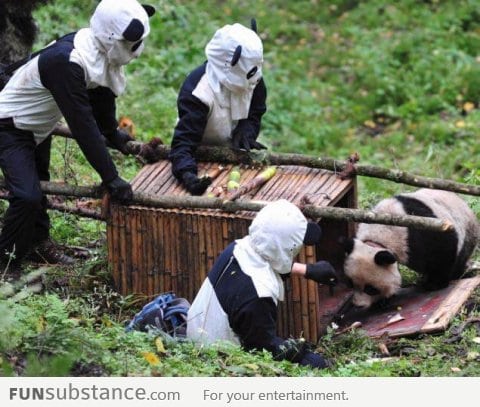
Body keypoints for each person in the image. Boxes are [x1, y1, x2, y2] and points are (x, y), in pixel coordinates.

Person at [0, 0, 155, 266]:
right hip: (9, 126)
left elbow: (102, 105)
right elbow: (84, 127)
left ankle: (37, 242)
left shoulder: (96, 53)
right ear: (112, 37)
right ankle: (5, 261)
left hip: (37, 125)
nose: (137, 50)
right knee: (27, 196)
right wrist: (112, 177)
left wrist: (115, 135)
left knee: (37, 183)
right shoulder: (67, 62)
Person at [186, 199, 338, 369]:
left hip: (197, 330)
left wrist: (307, 270)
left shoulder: (237, 248)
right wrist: (300, 352)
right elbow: (264, 348)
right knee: (314, 364)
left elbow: (265, 261)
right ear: (288, 246)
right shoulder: (259, 295)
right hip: (220, 357)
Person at [169, 21, 267, 195]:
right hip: (200, 154)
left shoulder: (252, 76)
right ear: (229, 64)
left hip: (236, 158)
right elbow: (183, 144)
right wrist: (188, 175)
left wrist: (247, 131)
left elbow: (256, 110)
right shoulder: (198, 93)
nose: (256, 78)